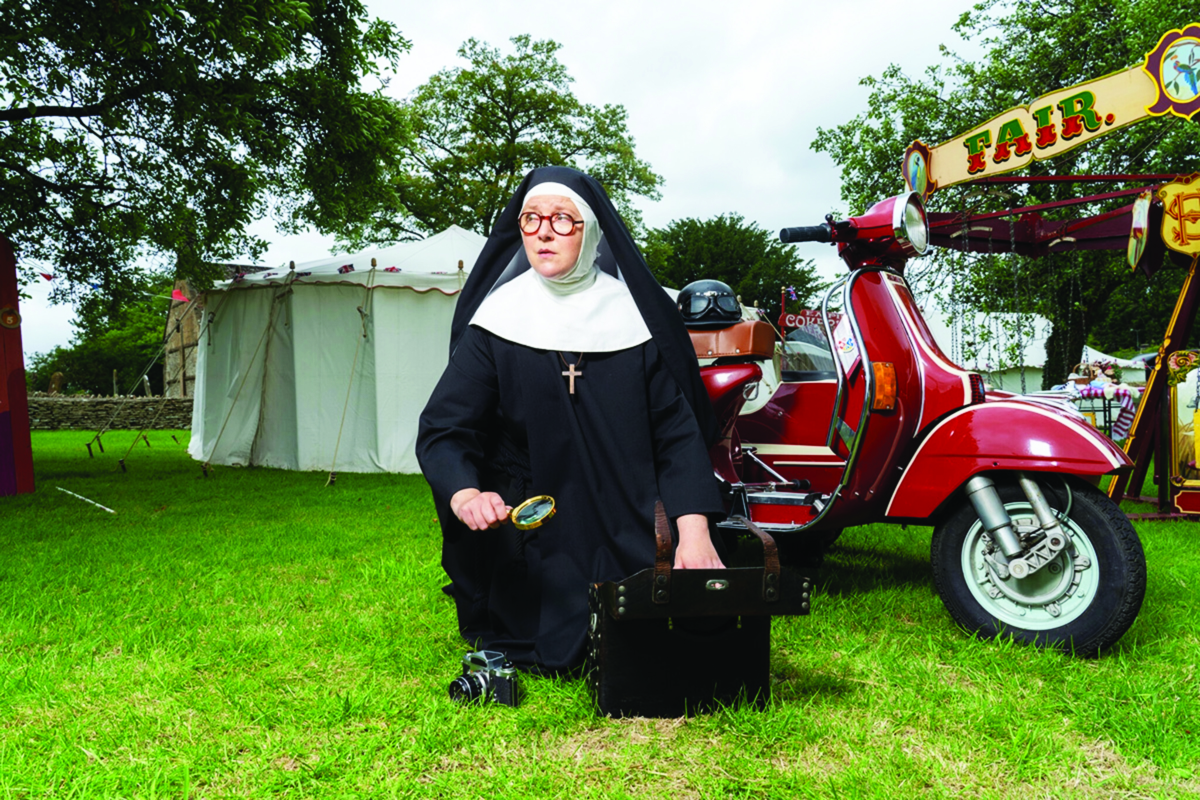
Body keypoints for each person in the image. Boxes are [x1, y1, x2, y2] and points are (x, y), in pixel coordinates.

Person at [417, 166, 725, 672]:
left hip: (624, 514)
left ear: (592, 231)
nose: (543, 231)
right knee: (537, 639)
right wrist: (465, 493)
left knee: (640, 635)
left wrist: (694, 533)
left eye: (563, 219)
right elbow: (446, 428)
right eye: (531, 219)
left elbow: (676, 438)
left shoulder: (635, 318)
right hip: (533, 520)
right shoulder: (499, 320)